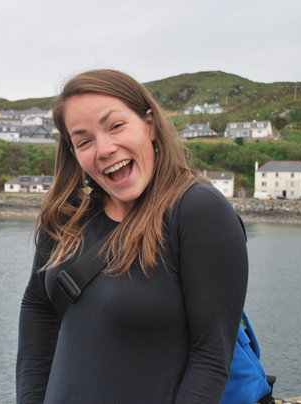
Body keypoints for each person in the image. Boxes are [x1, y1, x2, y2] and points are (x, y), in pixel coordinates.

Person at [16, 69, 248, 403]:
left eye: (116, 126)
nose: (104, 149)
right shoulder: (68, 214)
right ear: (74, 153)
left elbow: (211, 358)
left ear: (149, 124)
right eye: (84, 141)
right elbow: (37, 308)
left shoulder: (199, 211)